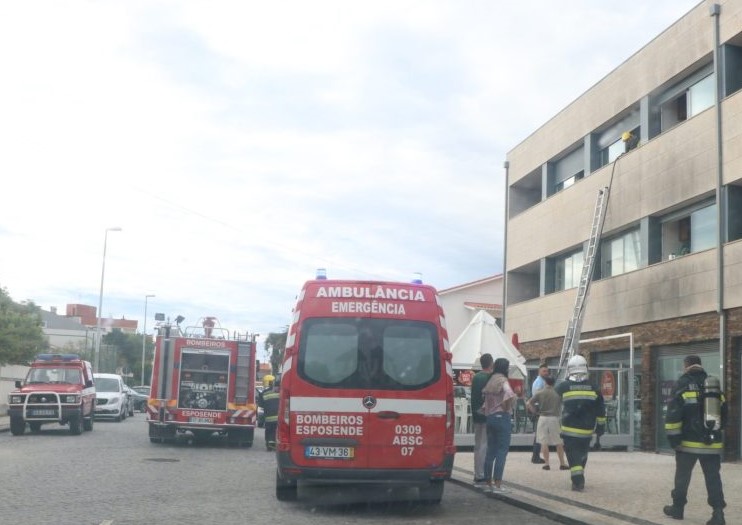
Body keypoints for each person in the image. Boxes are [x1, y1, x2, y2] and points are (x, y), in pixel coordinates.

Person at [663, 355, 726, 525]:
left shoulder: (682, 384)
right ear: (700, 365)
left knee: (682, 477)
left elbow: (674, 414)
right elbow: (724, 414)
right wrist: (714, 433)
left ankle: (677, 509)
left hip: (687, 444)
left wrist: (673, 439)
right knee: (713, 477)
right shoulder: (713, 385)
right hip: (711, 443)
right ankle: (718, 513)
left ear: (686, 366)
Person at [554, 354, 605, 492]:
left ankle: (578, 481)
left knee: (573, 455)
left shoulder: (563, 386)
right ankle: (579, 475)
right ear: (585, 368)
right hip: (587, 430)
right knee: (582, 454)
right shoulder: (594, 387)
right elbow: (601, 410)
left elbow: (552, 401)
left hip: (569, 430)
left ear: (569, 369)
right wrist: (600, 429)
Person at [482, 357, 517, 493]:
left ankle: (487, 482)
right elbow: (508, 393)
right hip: (502, 417)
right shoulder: (503, 380)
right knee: (502, 451)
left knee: (490, 451)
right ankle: (498, 483)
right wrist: (506, 406)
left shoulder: (490, 380)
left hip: (490, 417)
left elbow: (485, 401)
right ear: (505, 368)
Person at [526, 375, 568, 471]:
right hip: (554, 418)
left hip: (543, 418)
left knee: (544, 442)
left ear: (545, 382)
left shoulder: (540, 392)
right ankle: (562, 463)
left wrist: (534, 412)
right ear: (553, 383)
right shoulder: (557, 393)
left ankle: (546, 464)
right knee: (558, 442)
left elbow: (528, 403)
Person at [470, 353, 494, 486]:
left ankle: (477, 473)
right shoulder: (489, 377)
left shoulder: (476, 377)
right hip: (486, 414)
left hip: (476, 413)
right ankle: (482, 474)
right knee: (485, 445)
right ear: (490, 363)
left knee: (478, 444)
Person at [530, 363, 549, 464]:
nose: (546, 373)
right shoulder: (539, 382)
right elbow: (538, 396)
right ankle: (535, 456)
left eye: (547, 371)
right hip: (539, 408)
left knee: (539, 434)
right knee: (539, 434)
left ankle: (536, 456)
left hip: (539, 407)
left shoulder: (541, 381)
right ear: (539, 371)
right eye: (544, 371)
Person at [259, 376, 280, 450]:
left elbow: (260, 405)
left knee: (268, 431)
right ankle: (274, 444)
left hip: (268, 417)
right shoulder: (281, 392)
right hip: (278, 417)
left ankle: (269, 445)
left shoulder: (264, 393)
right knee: (276, 431)